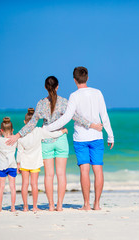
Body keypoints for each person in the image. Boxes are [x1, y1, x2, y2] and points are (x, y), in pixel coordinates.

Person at [6, 76, 102, 211]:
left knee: (49, 175)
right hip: (61, 139)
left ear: (45, 87)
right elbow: (77, 118)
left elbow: (32, 124)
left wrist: (17, 135)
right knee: (61, 174)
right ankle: (60, 206)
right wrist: (93, 125)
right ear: (57, 87)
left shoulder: (41, 103)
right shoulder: (64, 102)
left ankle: (51, 205)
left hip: (46, 141)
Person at [45, 66, 114, 211]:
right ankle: (97, 205)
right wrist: (110, 135)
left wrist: (48, 128)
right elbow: (104, 115)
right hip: (97, 137)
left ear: (74, 80)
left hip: (80, 138)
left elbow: (67, 117)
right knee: (98, 169)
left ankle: (86, 204)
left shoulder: (74, 96)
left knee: (84, 171)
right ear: (87, 77)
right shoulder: (98, 93)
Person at [17, 108, 67, 212]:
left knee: (25, 184)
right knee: (34, 184)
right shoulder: (39, 131)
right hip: (35, 164)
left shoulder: (21, 137)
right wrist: (62, 131)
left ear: (25, 122)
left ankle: (26, 207)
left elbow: (19, 151)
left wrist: (18, 164)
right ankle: (35, 207)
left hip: (24, 164)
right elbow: (52, 135)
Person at [0, 117, 17, 212]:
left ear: (1, 130)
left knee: (1, 187)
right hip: (12, 166)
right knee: (12, 187)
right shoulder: (14, 140)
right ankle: (13, 207)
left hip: (1, 167)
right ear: (12, 130)